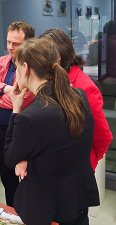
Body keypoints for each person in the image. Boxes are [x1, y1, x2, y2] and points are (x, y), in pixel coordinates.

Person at [4, 38, 99, 225]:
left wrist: (16, 109)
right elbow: (59, 145)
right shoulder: (79, 95)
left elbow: (9, 157)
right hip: (77, 202)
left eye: (16, 69)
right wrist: (29, 157)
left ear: (25, 68)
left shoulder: (31, 117)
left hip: (50, 210)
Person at [39, 28, 113, 171]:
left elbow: (103, 137)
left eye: (42, 54)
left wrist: (88, 163)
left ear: (57, 56)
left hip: (75, 169)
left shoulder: (84, 87)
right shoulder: (48, 80)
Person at [0, 21, 35, 206]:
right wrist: (6, 89)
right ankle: (12, 212)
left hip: (24, 132)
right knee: (7, 178)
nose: (10, 47)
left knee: (28, 178)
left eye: (16, 43)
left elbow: (20, 100)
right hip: (2, 130)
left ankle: (27, 213)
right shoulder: (2, 61)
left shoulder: (32, 67)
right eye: (8, 41)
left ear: (27, 44)